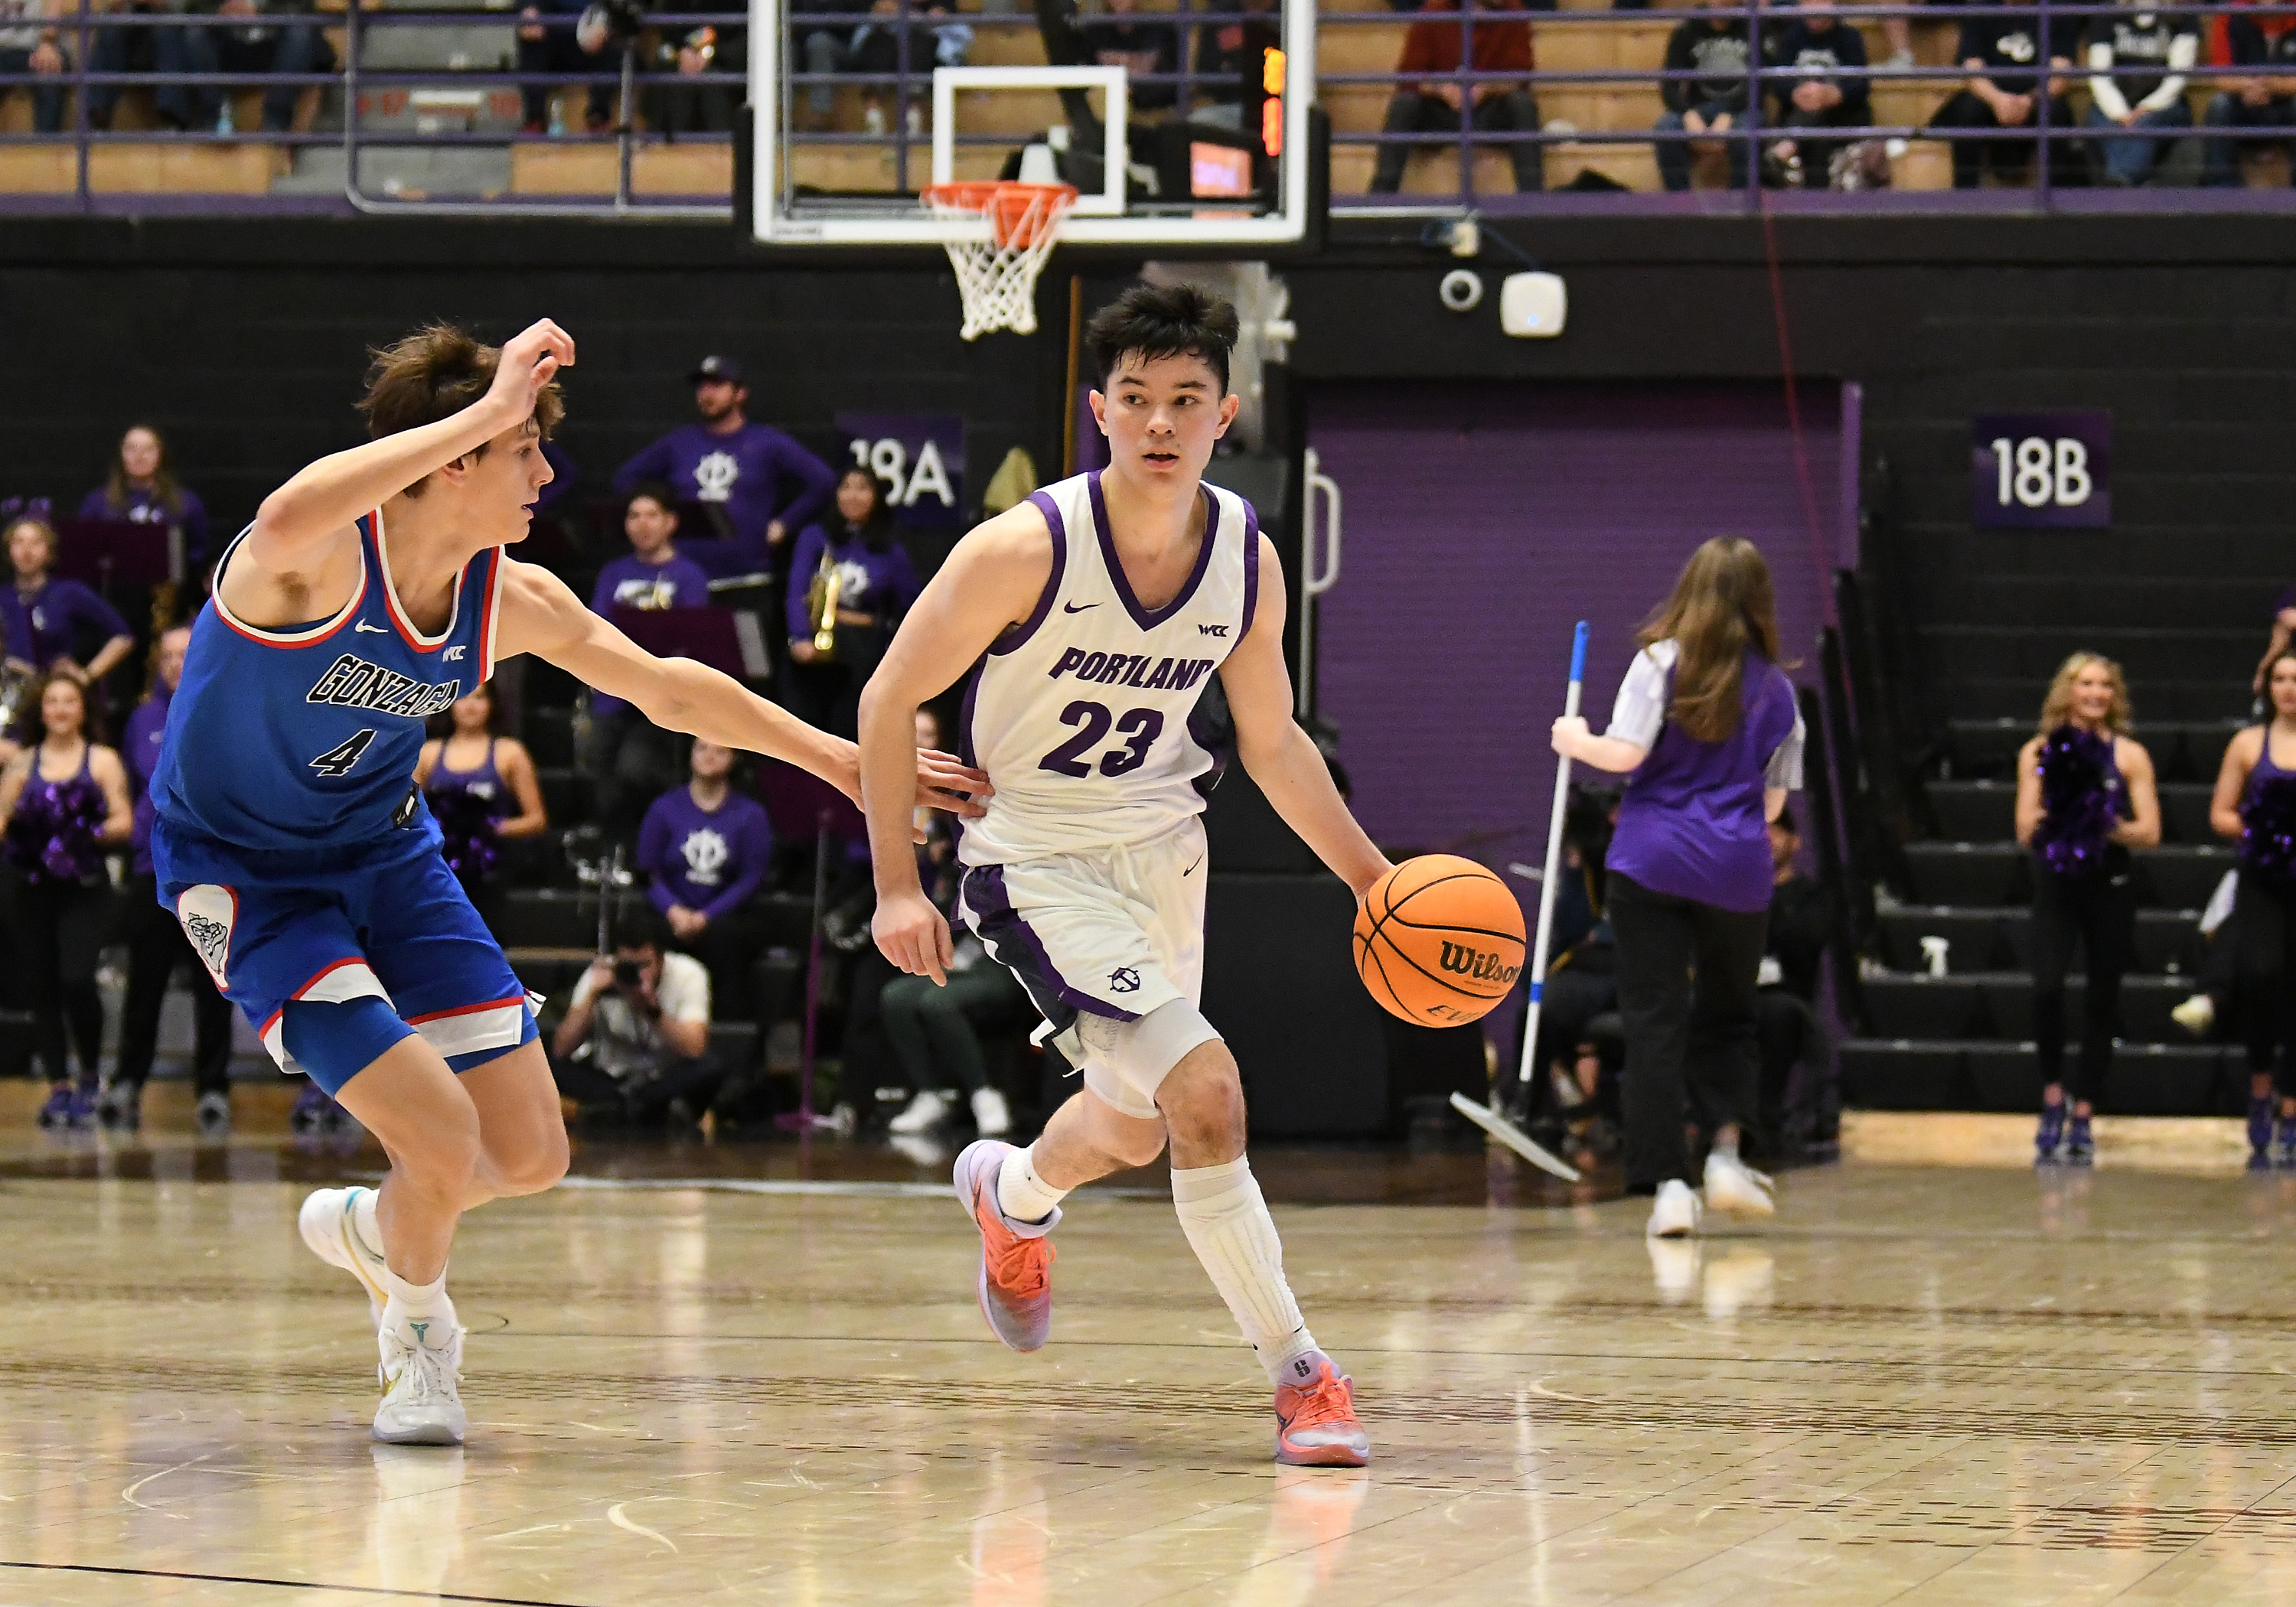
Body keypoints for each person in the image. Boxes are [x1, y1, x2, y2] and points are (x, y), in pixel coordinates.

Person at [149, 318, 983, 1448]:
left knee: (532, 1155)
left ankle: (380, 1227)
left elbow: (669, 687)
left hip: (387, 856)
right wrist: (492, 406)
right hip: (249, 880)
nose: (545, 471)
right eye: (523, 450)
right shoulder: (315, 556)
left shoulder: (507, 599)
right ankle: (420, 1334)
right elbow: (294, 503)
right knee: (441, 1137)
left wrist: (843, 762)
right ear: (458, 454)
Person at [861, 283, 1383, 1468]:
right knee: (1207, 1092)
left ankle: (1016, 1197)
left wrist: (1370, 878)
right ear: (1100, 410)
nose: (1159, 423)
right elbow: (890, 696)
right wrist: (899, 883)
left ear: (1225, 415)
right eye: (1137, 400)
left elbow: (1273, 740)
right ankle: (1303, 1373)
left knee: (1135, 1129)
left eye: (1185, 402)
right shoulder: (1023, 547)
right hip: (1034, 857)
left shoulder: (1246, 555)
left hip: (1164, 850)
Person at [1548, 536, 1805, 1239]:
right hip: (1737, 870)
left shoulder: (1659, 663)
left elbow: (1625, 756)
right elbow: (1778, 807)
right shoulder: (1779, 690)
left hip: (1653, 860)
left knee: (1654, 1021)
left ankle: (1667, 1185)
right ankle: (1725, 1151)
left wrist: (1573, 737)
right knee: (1729, 1016)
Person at [2014, 652, 2160, 1165]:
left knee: (2103, 998)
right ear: (2067, 691)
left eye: (2104, 685)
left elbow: (2150, 831)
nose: (2095, 694)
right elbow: (2025, 827)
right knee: (2046, 989)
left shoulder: (2131, 755)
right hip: (2056, 883)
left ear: (2114, 695)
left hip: (2110, 884)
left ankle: (2085, 1114)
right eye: (2085, 684)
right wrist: (2064, 807)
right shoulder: (2037, 749)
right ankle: (2053, 1094)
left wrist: (2104, 822)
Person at [109, 624, 236, 1136]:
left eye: (185, 654)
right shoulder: (142, 719)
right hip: (152, 872)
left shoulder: (226, 712)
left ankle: (212, 1089)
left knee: (214, 988)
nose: (175, 664)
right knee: (146, 984)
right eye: (166, 656)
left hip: (211, 874)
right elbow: (131, 784)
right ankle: (127, 1082)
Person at [1, 673, 132, 1128]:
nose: (59, 709)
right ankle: (58, 1083)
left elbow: (124, 821)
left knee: (77, 977)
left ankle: (92, 1074)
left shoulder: (102, 760)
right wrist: (30, 827)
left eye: (69, 701)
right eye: (51, 701)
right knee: (41, 985)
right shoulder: (22, 764)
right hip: (31, 889)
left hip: (83, 887)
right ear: (41, 710)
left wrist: (80, 832)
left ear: (83, 709)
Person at [884, 709, 1019, 1139]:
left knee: (937, 1003)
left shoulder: (1004, 823)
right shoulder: (941, 824)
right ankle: (931, 1093)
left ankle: (985, 1093)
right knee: (897, 996)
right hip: (960, 947)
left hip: (1005, 955)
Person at [610, 355, 837, 578]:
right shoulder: (680, 442)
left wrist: (785, 524)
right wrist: (658, 518)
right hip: (685, 577)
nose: (707, 394)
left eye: (717, 386)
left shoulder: (768, 442)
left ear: (740, 394)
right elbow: (625, 478)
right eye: (702, 387)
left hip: (746, 576)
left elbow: (824, 481)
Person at [585, 484, 711, 837]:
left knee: (636, 767)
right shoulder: (614, 572)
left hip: (659, 694)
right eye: (634, 515)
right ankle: (611, 849)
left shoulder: (689, 575)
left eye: (652, 515)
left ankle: (645, 842)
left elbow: (694, 636)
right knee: (599, 762)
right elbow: (593, 626)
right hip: (613, 691)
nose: (643, 524)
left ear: (671, 522)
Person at [2210, 648, 2296, 1166]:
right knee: (2262, 977)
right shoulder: (2248, 743)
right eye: (2282, 678)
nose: (2290, 688)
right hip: (2264, 879)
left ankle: (2292, 1103)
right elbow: (2220, 812)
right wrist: (2264, 833)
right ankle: (2261, 1086)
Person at [636, 738, 779, 1023]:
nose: (709, 756)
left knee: (725, 941)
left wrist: (706, 917)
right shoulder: (664, 809)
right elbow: (646, 871)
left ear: (734, 760)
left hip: (725, 918)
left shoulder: (751, 815)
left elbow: (752, 877)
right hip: (671, 914)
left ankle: (729, 1033)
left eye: (720, 751)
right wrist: (674, 911)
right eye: (702, 748)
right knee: (646, 935)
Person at [784, 466, 922, 739]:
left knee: (849, 720)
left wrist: (876, 626)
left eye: (862, 488)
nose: (853, 496)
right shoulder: (815, 537)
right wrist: (799, 637)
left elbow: (912, 606)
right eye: (846, 487)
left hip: (861, 651)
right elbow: (796, 590)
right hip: (815, 645)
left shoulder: (890, 548)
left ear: (876, 497)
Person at [549, 909, 722, 1126]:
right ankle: (635, 1112)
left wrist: (652, 1009)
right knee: (545, 1062)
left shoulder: (689, 974)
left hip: (662, 1080)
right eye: (629, 965)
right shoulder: (601, 976)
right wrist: (592, 996)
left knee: (710, 1068)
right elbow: (561, 1049)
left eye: (645, 965)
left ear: (662, 960)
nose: (637, 974)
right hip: (611, 1080)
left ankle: (622, 1113)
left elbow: (695, 1048)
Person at [414, 681, 548, 935]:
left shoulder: (511, 752)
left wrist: (485, 829)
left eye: (479, 698)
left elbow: (536, 819)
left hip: (492, 871)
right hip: (440, 869)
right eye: (463, 698)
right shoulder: (428, 754)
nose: (470, 706)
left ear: (492, 704)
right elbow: (407, 813)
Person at [1369, 0, 1544, 195]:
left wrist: (1486, 88)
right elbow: (1409, 75)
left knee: (1522, 104)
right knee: (1405, 104)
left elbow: (1521, 78)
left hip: (1488, 113)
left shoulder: (1514, 11)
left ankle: (1532, 198)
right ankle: (1380, 198)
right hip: (1442, 114)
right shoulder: (1435, 10)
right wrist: (1442, 89)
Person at [1927, 0, 2082, 190]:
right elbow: (1972, 68)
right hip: (1991, 98)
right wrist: (1998, 100)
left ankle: (2055, 197)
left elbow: (2060, 74)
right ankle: (1964, 194)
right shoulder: (1981, 9)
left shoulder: (2056, 12)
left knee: (2056, 113)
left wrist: (2029, 100)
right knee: (1968, 110)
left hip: (2035, 99)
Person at [2, 514, 135, 689]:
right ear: (8, 550)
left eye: (36, 543)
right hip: (10, 694)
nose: (27, 551)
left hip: (56, 693)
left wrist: (86, 676)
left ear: (49, 551)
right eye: (19, 542)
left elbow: (123, 637)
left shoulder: (68, 592)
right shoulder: (3, 596)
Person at [2082, 0, 2199, 187]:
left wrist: (2146, 108)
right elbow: (2099, 76)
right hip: (2114, 104)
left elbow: (2178, 79)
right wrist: (2120, 113)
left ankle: (2119, 184)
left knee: (2148, 126)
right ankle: (2131, 186)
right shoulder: (2107, 14)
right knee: (2098, 122)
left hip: (2163, 105)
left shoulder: (2182, 16)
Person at [78, 423, 211, 579]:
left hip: (169, 594)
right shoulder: (97, 503)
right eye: (132, 449)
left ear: (161, 455)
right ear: (121, 455)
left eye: (148, 449)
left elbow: (201, 553)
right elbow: (83, 555)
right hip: (112, 592)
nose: (140, 456)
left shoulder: (186, 502)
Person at [1763, 0, 1870, 190]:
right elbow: (1779, 83)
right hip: (1800, 112)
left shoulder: (1849, 37)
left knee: (1818, 114)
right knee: (1815, 125)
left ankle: (1785, 149)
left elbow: (1861, 85)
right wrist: (1796, 93)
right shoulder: (1791, 38)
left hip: (1841, 114)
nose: (1814, 9)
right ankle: (1817, 197)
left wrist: (1835, 93)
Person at [1653, 0, 1754, 192]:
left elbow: (1762, 84)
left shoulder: (1753, 26)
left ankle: (1740, 205)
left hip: (1742, 108)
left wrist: (1728, 113)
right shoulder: (1688, 28)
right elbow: (1669, 86)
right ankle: (1681, 204)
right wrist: (1688, 114)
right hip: (1699, 108)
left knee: (1748, 134)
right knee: (1665, 130)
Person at [2202, 7, 2296, 188]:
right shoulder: (2229, 15)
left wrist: (2273, 85)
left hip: (2285, 104)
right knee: (2219, 105)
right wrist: (2249, 86)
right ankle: (2220, 188)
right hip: (2244, 103)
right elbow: (2221, 78)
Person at [514, 0, 613, 133]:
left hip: (597, 32)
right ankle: (535, 119)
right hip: (553, 34)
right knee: (532, 39)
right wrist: (529, 9)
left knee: (614, 42)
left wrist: (605, 22)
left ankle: (598, 117)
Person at [1084, 0, 1182, 112]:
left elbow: (1156, 73)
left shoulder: (1160, 27)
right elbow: (1091, 71)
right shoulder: (1096, 30)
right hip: (1104, 102)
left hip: (1152, 102)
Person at [0, 0, 68, 135]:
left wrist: (47, 42)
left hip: (39, 47)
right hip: (4, 50)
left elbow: (54, 6)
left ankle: (46, 147)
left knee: (49, 73)